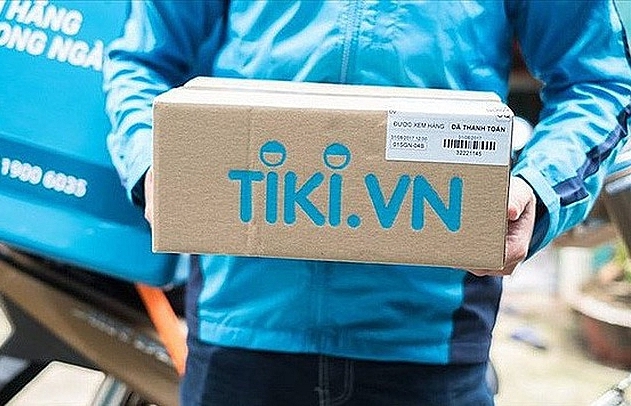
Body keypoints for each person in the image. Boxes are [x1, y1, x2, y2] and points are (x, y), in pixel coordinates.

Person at [102, 1, 631, 405]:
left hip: (428, 335)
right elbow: (142, 62)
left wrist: (538, 188)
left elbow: (598, 81)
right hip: (240, 323)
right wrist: (155, 165)